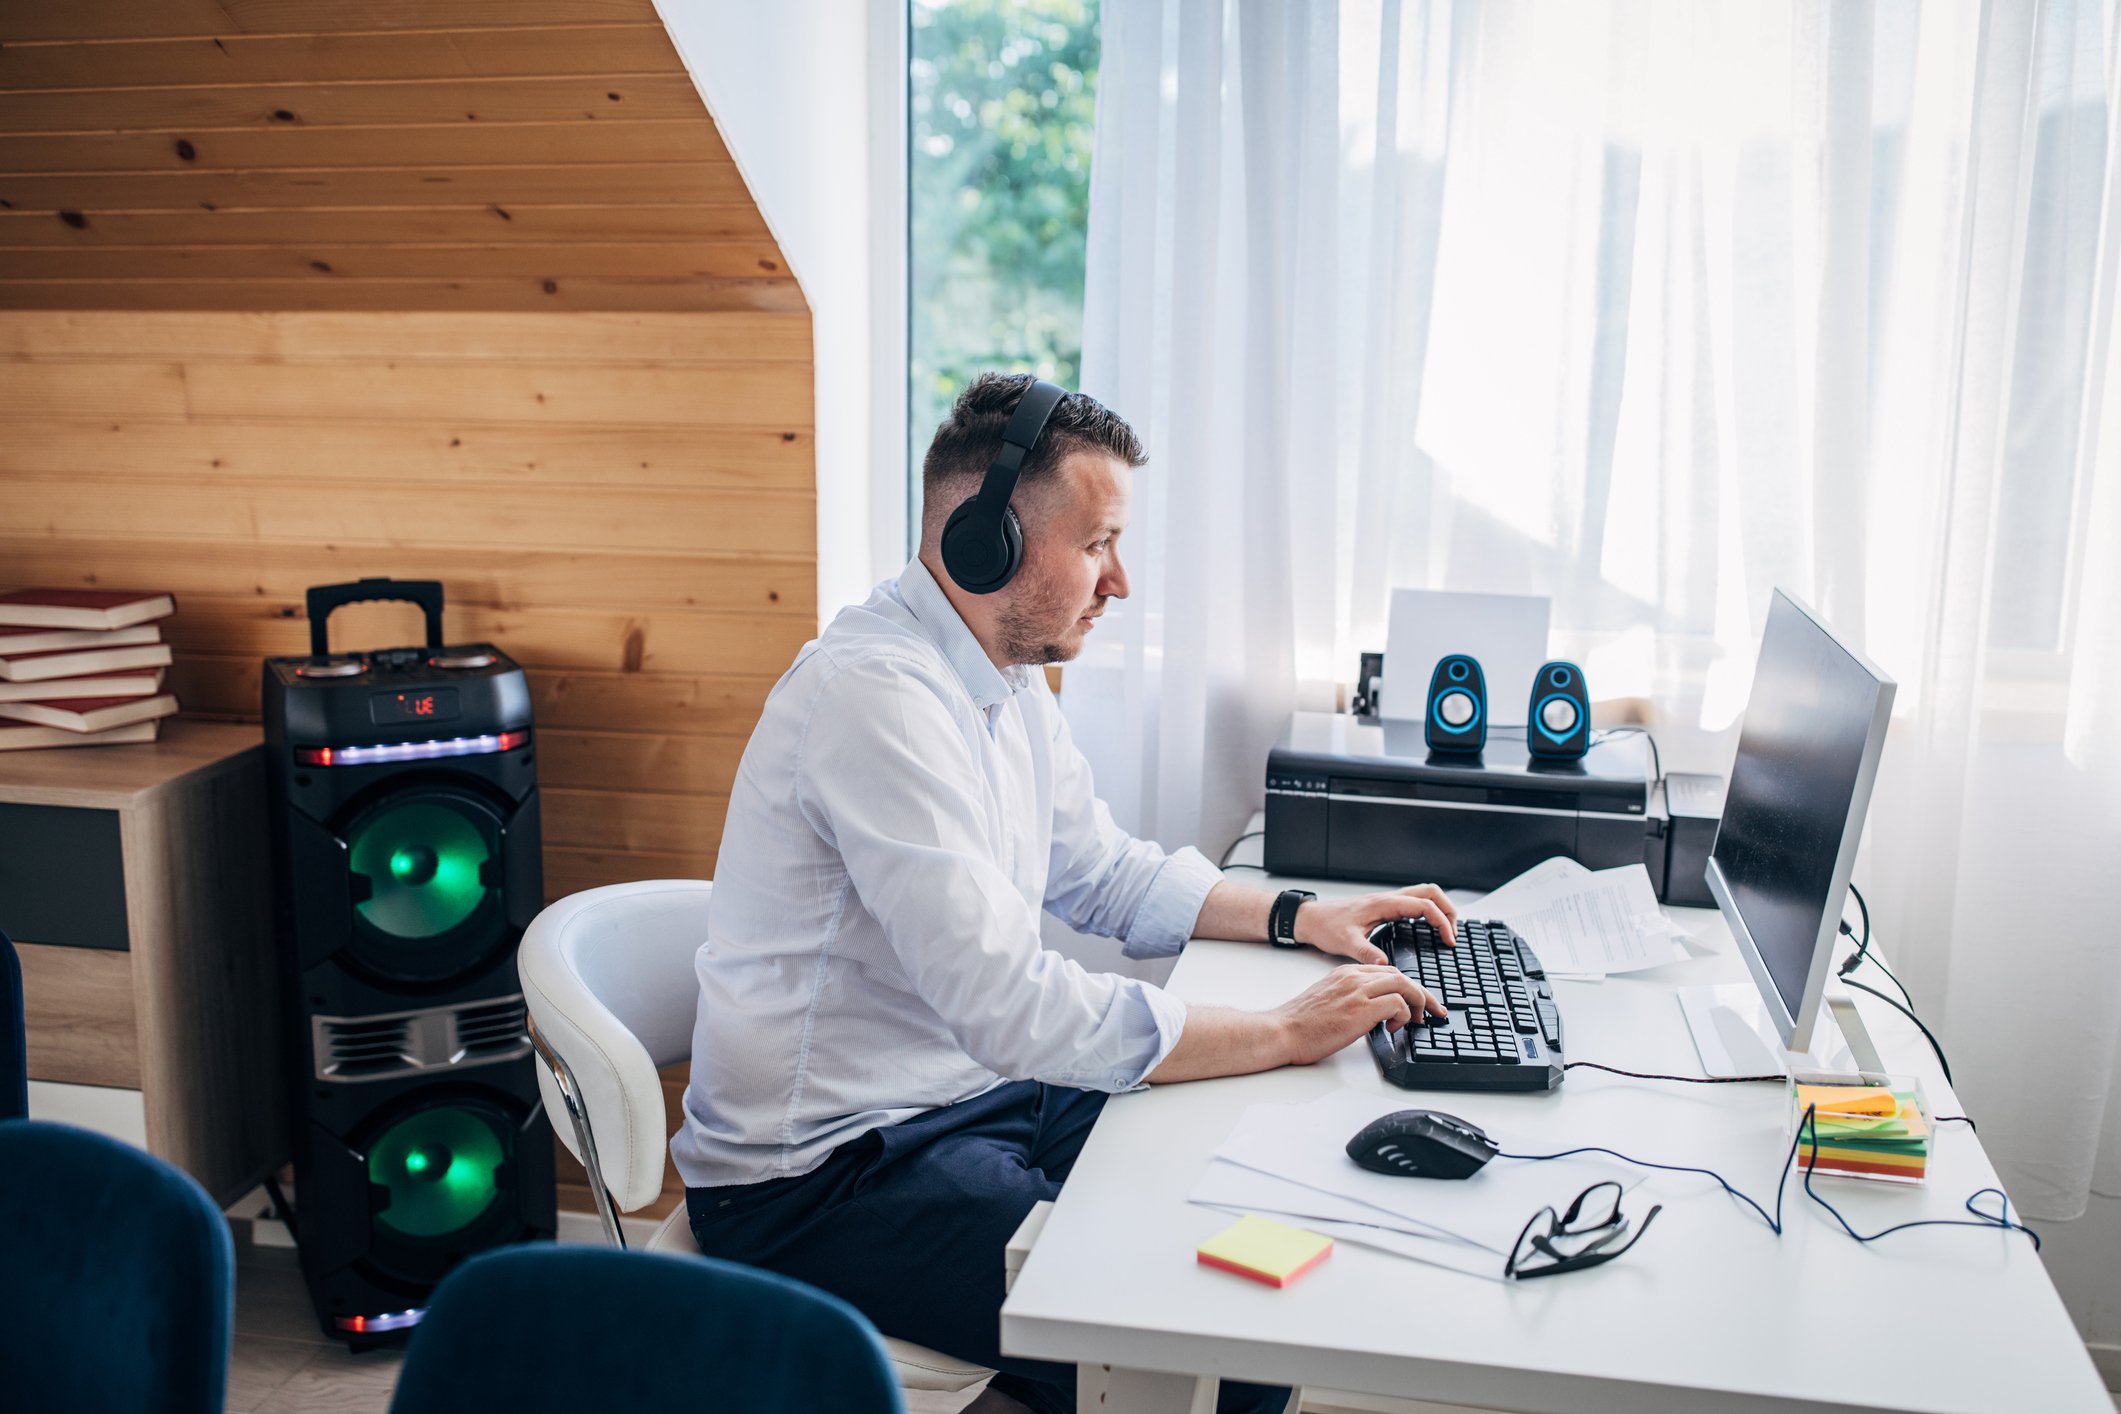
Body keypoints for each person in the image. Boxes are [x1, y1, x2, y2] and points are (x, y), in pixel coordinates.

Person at [672, 374, 1455, 1414]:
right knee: (1207, 1332)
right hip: (824, 1178)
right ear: (983, 542)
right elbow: (1007, 1002)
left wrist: (1297, 914)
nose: (1119, 581)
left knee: (1243, 1203)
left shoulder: (1000, 679)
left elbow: (1100, 868)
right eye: (1098, 544)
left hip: (968, 1106)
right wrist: (1276, 1029)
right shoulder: (874, 700)